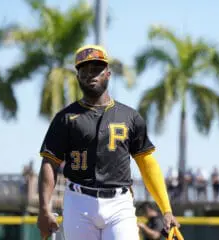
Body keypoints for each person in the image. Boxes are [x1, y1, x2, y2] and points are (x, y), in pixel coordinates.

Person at [37, 44, 179, 240]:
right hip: (79, 202)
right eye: (84, 70)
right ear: (77, 77)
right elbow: (49, 163)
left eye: (97, 69)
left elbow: (147, 163)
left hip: (119, 203)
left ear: (108, 73)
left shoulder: (129, 116)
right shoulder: (65, 118)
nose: (91, 74)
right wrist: (44, 208)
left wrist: (166, 209)